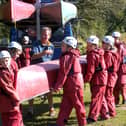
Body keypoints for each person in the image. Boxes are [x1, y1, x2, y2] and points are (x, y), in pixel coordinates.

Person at [53, 36, 87, 126]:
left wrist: (57, 86)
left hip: (73, 84)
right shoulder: (71, 55)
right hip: (72, 83)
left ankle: (82, 123)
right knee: (65, 105)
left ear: (70, 47)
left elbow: (63, 73)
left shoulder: (67, 57)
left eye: (63, 45)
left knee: (78, 104)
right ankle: (60, 123)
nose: (61, 47)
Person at [30, 26, 55, 116]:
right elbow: (32, 57)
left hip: (46, 71)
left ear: (50, 35)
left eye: (47, 34)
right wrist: (43, 53)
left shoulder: (51, 45)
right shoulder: (36, 44)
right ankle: (30, 109)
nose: (45, 36)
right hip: (35, 70)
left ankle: (51, 108)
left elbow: (51, 59)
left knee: (49, 90)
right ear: (40, 35)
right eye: (43, 34)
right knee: (32, 90)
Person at [84, 35, 110, 123]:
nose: (87, 46)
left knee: (96, 98)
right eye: (87, 44)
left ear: (94, 46)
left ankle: (92, 117)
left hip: (98, 79)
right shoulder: (99, 52)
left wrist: (86, 80)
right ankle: (105, 113)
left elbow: (91, 70)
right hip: (101, 78)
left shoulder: (92, 55)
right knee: (100, 97)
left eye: (89, 45)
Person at [0, 50, 24, 126]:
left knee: (7, 119)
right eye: (2, 61)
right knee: (14, 117)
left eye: (6, 60)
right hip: (8, 100)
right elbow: (8, 88)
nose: (5, 63)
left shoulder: (9, 68)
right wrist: (16, 99)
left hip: (6, 100)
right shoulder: (3, 73)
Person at [102, 36, 118, 117]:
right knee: (109, 95)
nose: (102, 45)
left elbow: (105, 66)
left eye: (104, 43)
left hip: (110, 77)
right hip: (112, 76)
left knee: (108, 95)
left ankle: (110, 112)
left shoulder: (108, 54)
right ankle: (111, 112)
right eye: (102, 43)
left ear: (109, 45)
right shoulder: (111, 53)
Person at [112, 31, 126, 104]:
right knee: (115, 85)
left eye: (116, 38)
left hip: (121, 68)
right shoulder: (111, 46)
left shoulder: (122, 46)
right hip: (114, 67)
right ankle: (116, 100)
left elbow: (121, 58)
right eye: (114, 38)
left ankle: (124, 98)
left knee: (122, 84)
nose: (115, 39)